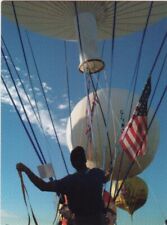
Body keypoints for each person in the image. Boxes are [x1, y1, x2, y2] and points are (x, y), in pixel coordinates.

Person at [16, 146, 112, 225]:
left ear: (72, 164)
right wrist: (110, 168)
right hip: (99, 221)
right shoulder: (97, 173)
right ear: (85, 159)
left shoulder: (69, 181)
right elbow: (106, 177)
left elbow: (43, 186)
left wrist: (25, 169)